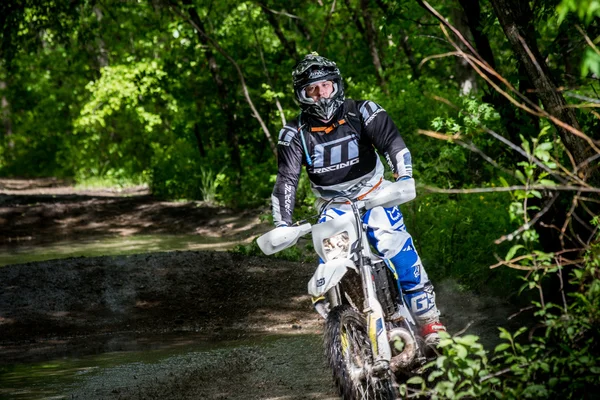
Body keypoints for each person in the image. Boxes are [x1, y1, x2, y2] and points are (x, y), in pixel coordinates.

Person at [270, 53, 446, 344]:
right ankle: (351, 330)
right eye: (311, 90)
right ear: (300, 95)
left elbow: (393, 144)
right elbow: (286, 179)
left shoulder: (363, 111)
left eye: (324, 86)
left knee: (396, 247)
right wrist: (282, 224)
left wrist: (404, 180)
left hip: (375, 195)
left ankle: (430, 323)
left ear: (336, 85)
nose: (319, 94)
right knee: (330, 260)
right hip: (333, 207)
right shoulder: (294, 132)